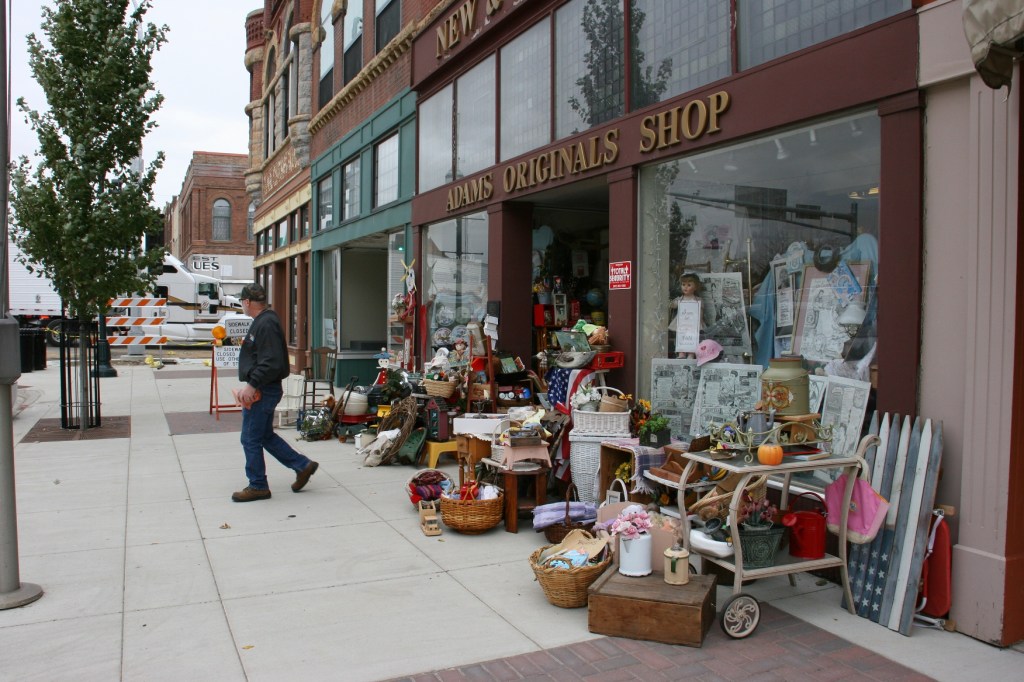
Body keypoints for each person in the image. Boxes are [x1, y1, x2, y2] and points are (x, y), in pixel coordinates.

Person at [232, 283, 318, 502]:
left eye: (242, 302)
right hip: (264, 387)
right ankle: (302, 465)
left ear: (247, 302)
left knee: (250, 438)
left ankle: (258, 485)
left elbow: (270, 361)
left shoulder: (266, 323)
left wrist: (252, 385)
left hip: (263, 389)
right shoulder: (264, 321)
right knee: (264, 436)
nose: (243, 305)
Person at [670, 272, 703, 359]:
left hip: (692, 323)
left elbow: (700, 311)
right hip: (682, 322)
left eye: (689, 285)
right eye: (683, 284)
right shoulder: (680, 299)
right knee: (681, 336)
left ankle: (691, 353)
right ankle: (681, 353)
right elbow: (673, 305)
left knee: (692, 337)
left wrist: (699, 320)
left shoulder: (697, 300)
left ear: (695, 287)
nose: (685, 287)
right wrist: (672, 303)